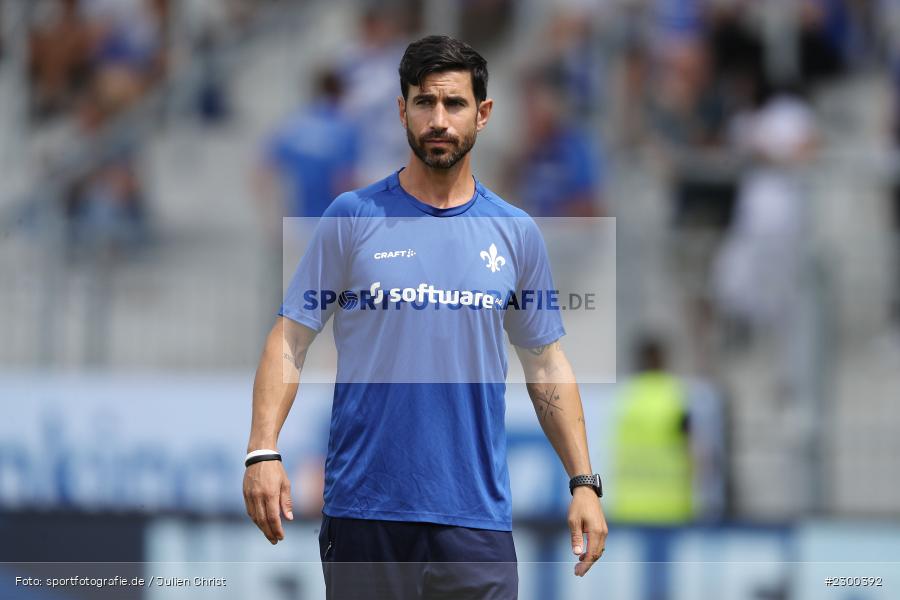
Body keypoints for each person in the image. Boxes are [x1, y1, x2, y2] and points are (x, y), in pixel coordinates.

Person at [243, 35, 607, 599]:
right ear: (402, 110)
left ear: (483, 114)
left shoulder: (515, 232)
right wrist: (262, 449)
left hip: (476, 521)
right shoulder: (353, 217)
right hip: (367, 513)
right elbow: (289, 339)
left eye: (455, 103)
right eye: (425, 102)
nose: (439, 120)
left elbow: (545, 364)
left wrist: (583, 481)